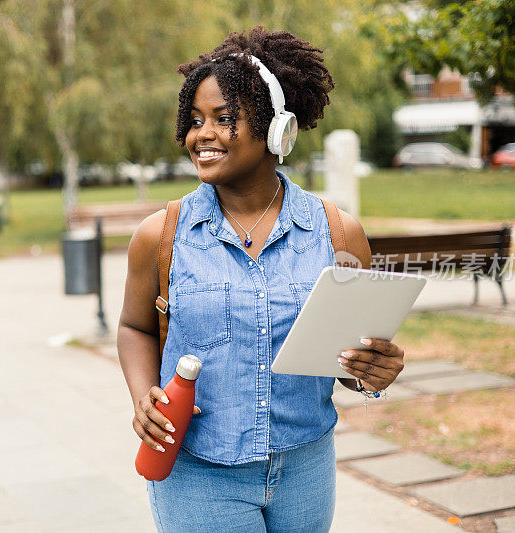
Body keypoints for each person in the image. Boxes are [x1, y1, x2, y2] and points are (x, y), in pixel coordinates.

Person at [117, 27, 407, 532]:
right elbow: (134, 327)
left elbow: (345, 359)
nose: (200, 134)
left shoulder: (337, 233)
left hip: (305, 469)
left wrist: (370, 370)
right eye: (194, 121)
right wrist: (144, 395)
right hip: (198, 474)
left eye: (224, 119)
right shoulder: (159, 236)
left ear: (278, 131)